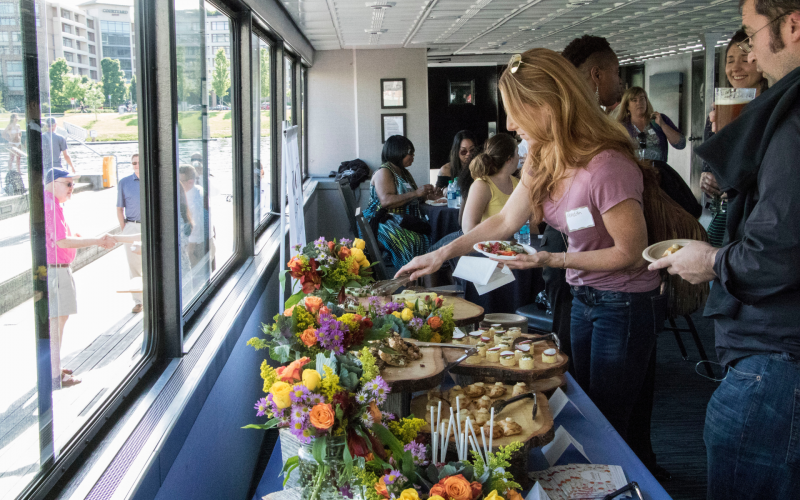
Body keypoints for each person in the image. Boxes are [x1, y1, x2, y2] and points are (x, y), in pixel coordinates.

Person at [398, 49, 662, 447]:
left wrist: (550, 258)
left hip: (623, 304)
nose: (509, 123)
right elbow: (504, 222)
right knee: (582, 405)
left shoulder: (607, 165)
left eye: (516, 110)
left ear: (549, 106)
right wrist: (443, 253)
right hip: (582, 295)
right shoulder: (543, 155)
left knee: (608, 420)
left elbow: (630, 251)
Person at [651, 1, 800, 497]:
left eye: (753, 32)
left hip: (777, 364)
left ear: (792, 26)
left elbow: (774, 253)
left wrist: (710, 260)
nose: (751, 51)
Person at [44, 168, 114, 389]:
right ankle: (54, 375)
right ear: (53, 183)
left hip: (58, 269)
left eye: (73, 184)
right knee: (56, 322)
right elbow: (62, 242)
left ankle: (53, 367)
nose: (72, 188)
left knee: (59, 320)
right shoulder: (51, 207)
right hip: (56, 270)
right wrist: (95, 241)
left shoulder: (53, 205)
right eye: (68, 184)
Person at [701, 29, 768, 248]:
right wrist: (708, 177)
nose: (735, 67)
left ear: (757, 59)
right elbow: (712, 168)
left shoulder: (772, 112)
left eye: (744, 59)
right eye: (730, 60)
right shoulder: (718, 113)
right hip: (724, 214)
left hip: (757, 218)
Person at [363, 135, 435, 269]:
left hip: (400, 220)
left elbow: (411, 197)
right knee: (410, 241)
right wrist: (416, 193)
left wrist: (426, 194)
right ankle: (409, 279)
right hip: (380, 223)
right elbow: (386, 201)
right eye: (410, 154)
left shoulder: (404, 173)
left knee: (427, 235)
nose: (412, 157)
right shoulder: (384, 172)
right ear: (397, 152)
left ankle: (421, 278)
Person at [461, 133, 520, 233]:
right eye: (517, 153)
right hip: (487, 246)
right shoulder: (482, 185)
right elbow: (468, 229)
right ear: (509, 159)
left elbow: (530, 224)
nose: (519, 157)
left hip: (514, 246)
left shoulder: (518, 184)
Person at [614, 87, 686, 162]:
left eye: (642, 99)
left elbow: (681, 144)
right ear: (627, 106)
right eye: (634, 100)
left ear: (646, 101)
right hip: (633, 171)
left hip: (658, 171)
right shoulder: (621, 126)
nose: (639, 103)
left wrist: (663, 125)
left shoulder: (659, 119)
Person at [116, 154, 144, 313]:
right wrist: (124, 229)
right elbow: (119, 208)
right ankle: (138, 301)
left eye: (139, 162)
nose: (136, 166)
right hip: (132, 226)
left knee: (151, 263)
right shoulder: (124, 183)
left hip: (151, 228)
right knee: (134, 266)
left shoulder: (153, 180)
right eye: (134, 163)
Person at [179, 165, 212, 288]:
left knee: (197, 280)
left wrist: (190, 247)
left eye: (180, 181)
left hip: (195, 245)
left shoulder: (196, 197)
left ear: (190, 182)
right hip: (202, 240)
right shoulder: (198, 189)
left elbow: (197, 223)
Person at [436, 130, 479, 196]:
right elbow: (437, 194)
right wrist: (444, 190)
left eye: (472, 150)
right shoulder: (446, 170)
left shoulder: (480, 168)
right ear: (456, 151)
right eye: (464, 151)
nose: (468, 154)